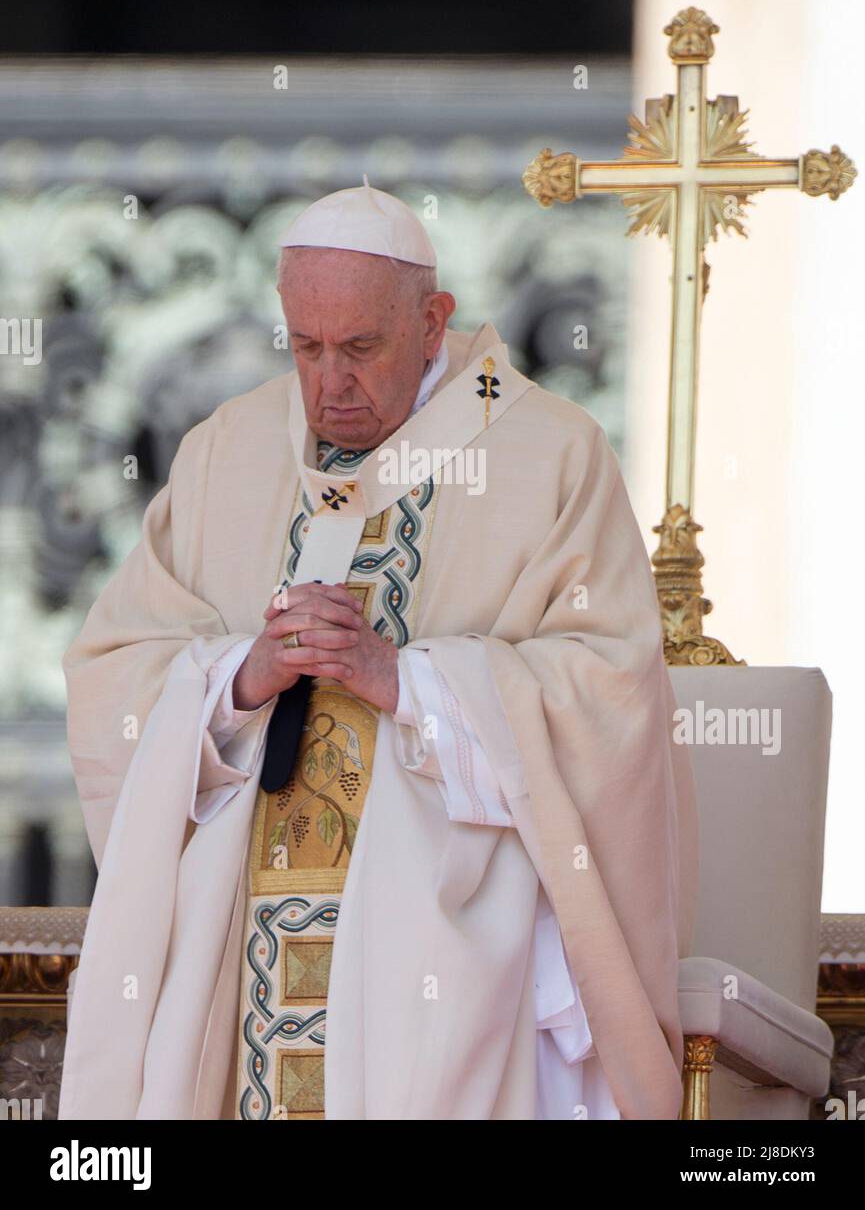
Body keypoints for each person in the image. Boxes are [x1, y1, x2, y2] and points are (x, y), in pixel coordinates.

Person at [58, 181, 698, 1121]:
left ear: (434, 322)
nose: (329, 385)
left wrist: (408, 681)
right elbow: (113, 668)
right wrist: (240, 675)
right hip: (244, 938)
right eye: (306, 347)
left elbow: (611, 695)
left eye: (362, 347)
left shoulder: (549, 454)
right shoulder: (225, 449)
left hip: (452, 921)